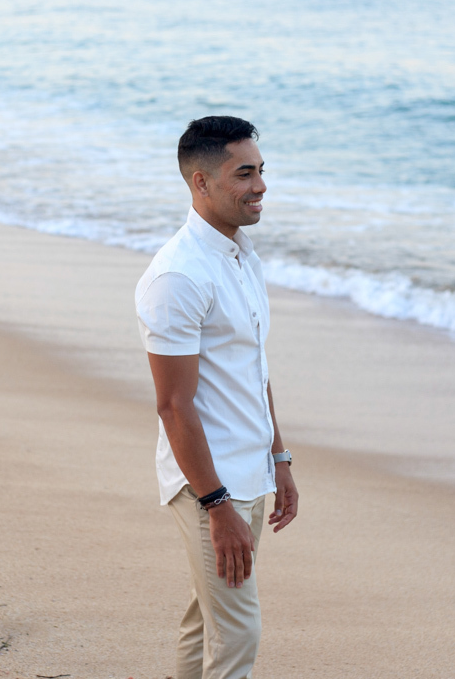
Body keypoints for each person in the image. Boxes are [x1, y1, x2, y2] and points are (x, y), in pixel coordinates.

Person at [135, 116, 299, 679]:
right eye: (244, 174)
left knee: (207, 621)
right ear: (201, 182)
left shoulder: (242, 256)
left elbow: (254, 366)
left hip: (251, 470)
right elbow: (173, 406)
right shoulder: (177, 277)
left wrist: (279, 458)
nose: (261, 186)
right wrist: (216, 505)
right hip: (209, 483)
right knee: (237, 632)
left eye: (261, 171)